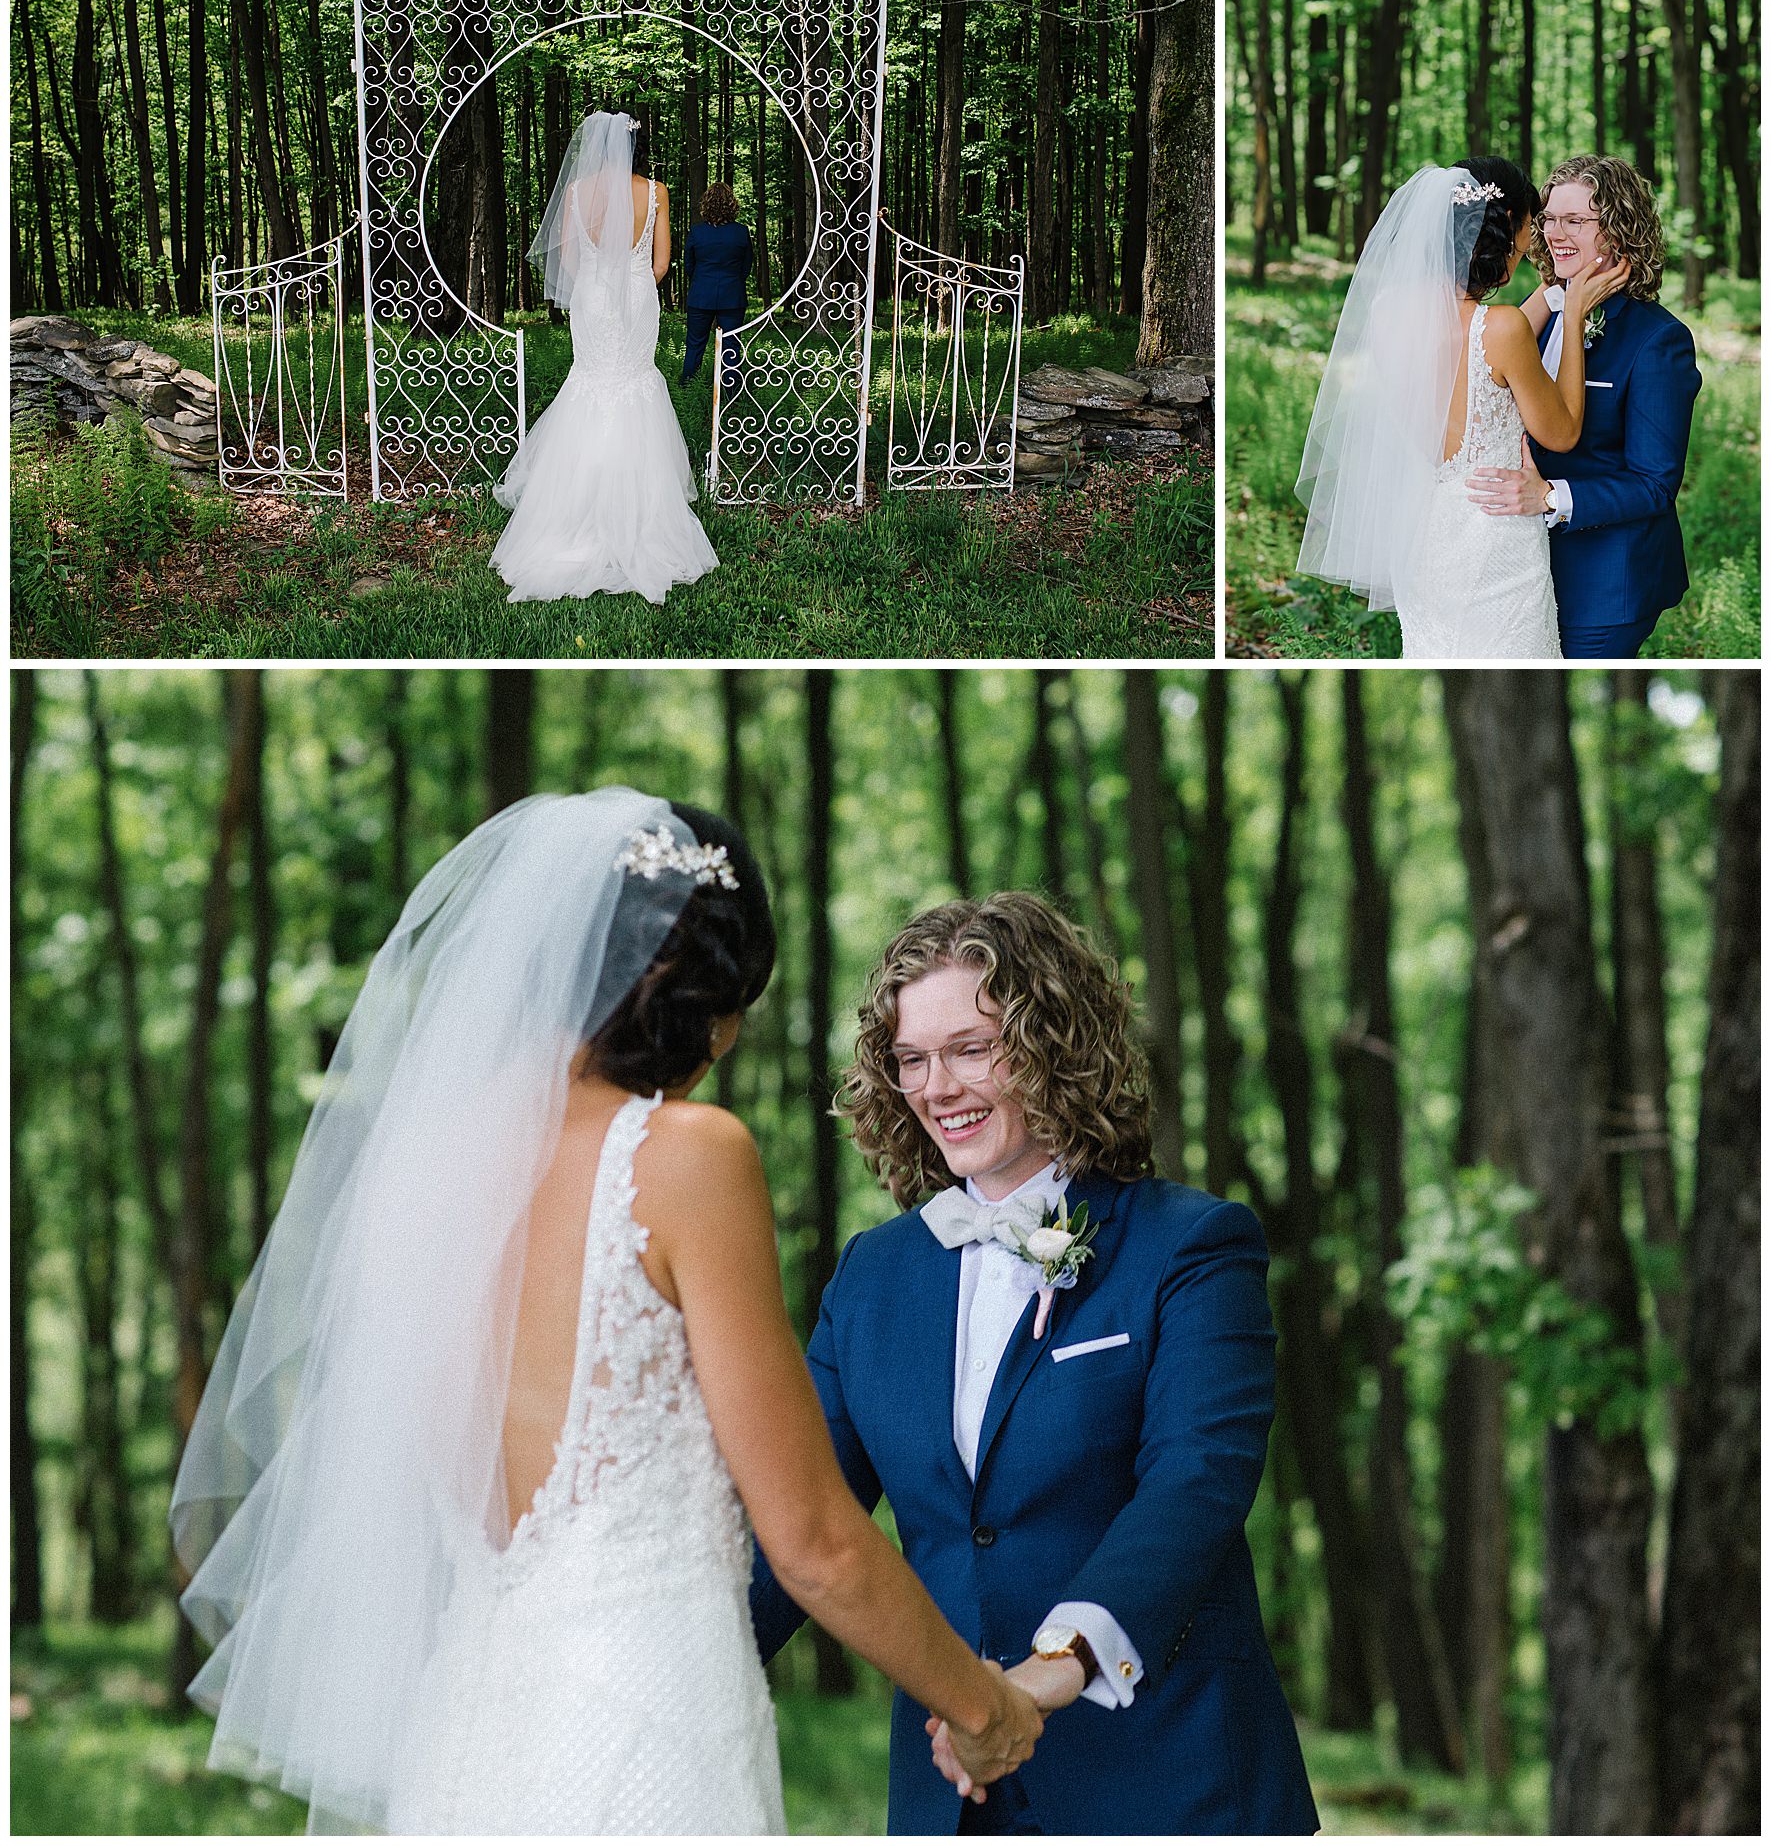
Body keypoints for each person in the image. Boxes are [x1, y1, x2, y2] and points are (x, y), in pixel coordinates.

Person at [171, 790, 1043, 1835]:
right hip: (649, 1719)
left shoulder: (418, 1173)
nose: (724, 1043)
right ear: (693, 988)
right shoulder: (685, 1155)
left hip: (468, 1727)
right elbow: (813, 1536)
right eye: (736, 1007)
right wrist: (983, 1702)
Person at [750, 893, 1319, 1834]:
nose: (937, 1087)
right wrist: (678, 1670)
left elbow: (1194, 1482)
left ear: (1055, 1043)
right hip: (951, 1802)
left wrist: (1050, 1671)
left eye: (972, 1048)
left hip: (1172, 1782)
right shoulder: (871, 1280)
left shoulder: (1192, 1246)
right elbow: (803, 1515)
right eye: (911, 1060)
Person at [1295, 157, 1627, 659]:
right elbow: (1561, 432)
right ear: (1502, 229)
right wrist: (1574, 313)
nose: (1530, 242)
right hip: (1493, 541)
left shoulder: (1390, 312)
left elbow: (1479, 345)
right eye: (1528, 226)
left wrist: (1551, 291)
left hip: (1423, 531)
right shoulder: (1503, 329)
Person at [1464, 154, 1702, 658]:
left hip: (1603, 587)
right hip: (1513, 572)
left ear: (1617, 228)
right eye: (1549, 218)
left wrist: (1550, 496)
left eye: (1575, 220)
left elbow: (1654, 484)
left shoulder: (1659, 340)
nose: (1555, 232)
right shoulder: (1538, 314)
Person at [491, 114, 718, 605]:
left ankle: (573, 511)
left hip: (592, 298)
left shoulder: (577, 193)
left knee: (590, 382)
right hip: (636, 297)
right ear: (637, 146)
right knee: (634, 381)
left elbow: (569, 261)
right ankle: (638, 514)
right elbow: (661, 264)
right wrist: (631, 282)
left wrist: (598, 281)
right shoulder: (656, 191)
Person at [681, 181, 754, 392]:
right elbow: (746, 266)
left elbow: (689, 266)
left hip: (700, 295)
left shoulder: (696, 232)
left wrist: (703, 281)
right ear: (732, 205)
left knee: (695, 345)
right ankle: (732, 395)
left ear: (706, 204)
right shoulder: (741, 232)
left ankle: (688, 391)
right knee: (730, 347)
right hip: (732, 296)